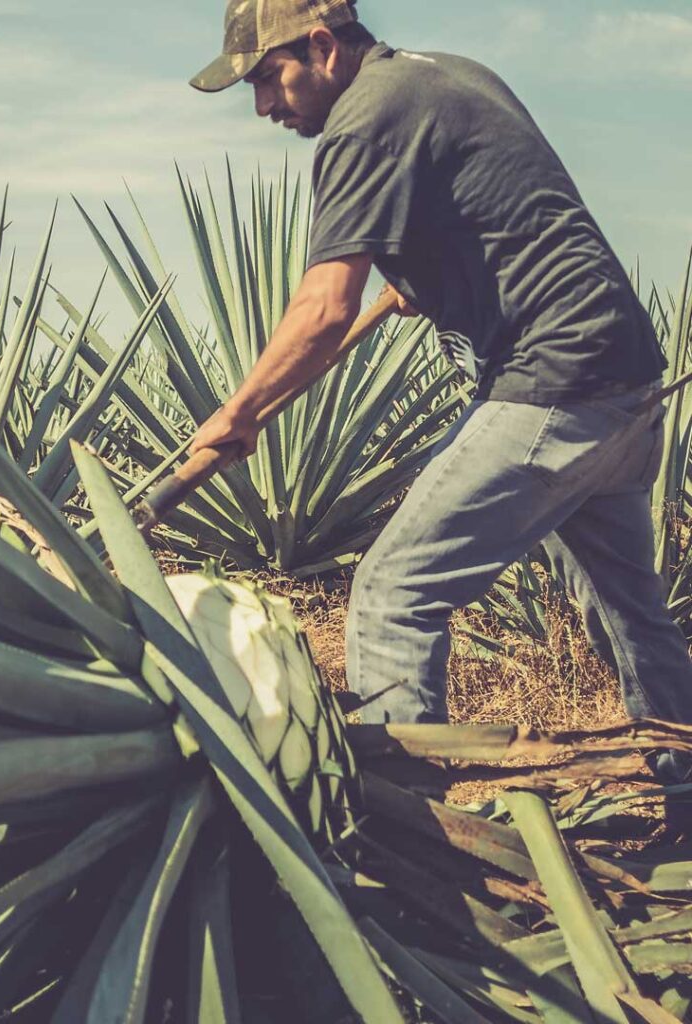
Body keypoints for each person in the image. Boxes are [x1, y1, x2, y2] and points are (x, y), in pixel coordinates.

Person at [187, 0, 692, 779]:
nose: (264, 107)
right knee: (634, 622)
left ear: (321, 47)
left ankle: (410, 845)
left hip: (550, 382)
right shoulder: (451, 78)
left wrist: (238, 413)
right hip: (624, 380)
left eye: (268, 78)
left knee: (393, 594)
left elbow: (324, 309)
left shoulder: (365, 118)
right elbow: (501, 210)